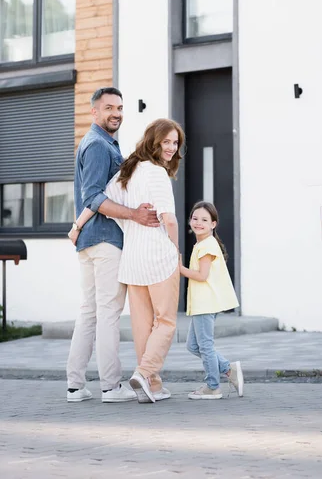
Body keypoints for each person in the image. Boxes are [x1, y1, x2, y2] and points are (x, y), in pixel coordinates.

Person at [73, 118, 185, 404]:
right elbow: (169, 220)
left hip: (133, 260)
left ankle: (152, 386)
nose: (172, 147)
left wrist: (76, 226)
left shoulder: (128, 170)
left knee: (142, 324)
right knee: (166, 321)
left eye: (175, 142)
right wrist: (176, 251)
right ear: (154, 141)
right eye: (167, 141)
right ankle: (145, 372)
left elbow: (95, 200)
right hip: (159, 256)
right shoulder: (157, 173)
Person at [66, 87, 159, 404]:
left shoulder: (101, 143)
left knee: (90, 312)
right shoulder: (97, 145)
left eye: (119, 107)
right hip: (105, 241)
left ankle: (75, 386)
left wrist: (77, 226)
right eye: (109, 107)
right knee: (107, 313)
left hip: (91, 240)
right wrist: (134, 214)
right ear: (94, 112)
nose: (116, 112)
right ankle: (110, 386)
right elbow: (93, 195)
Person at [179, 201, 244, 400]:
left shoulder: (207, 245)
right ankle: (227, 368)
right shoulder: (202, 243)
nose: (198, 223)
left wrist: (179, 268)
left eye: (204, 220)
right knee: (194, 346)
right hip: (201, 303)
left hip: (205, 303)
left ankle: (213, 386)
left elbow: (202, 275)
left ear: (213, 224)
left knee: (205, 346)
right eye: (195, 218)